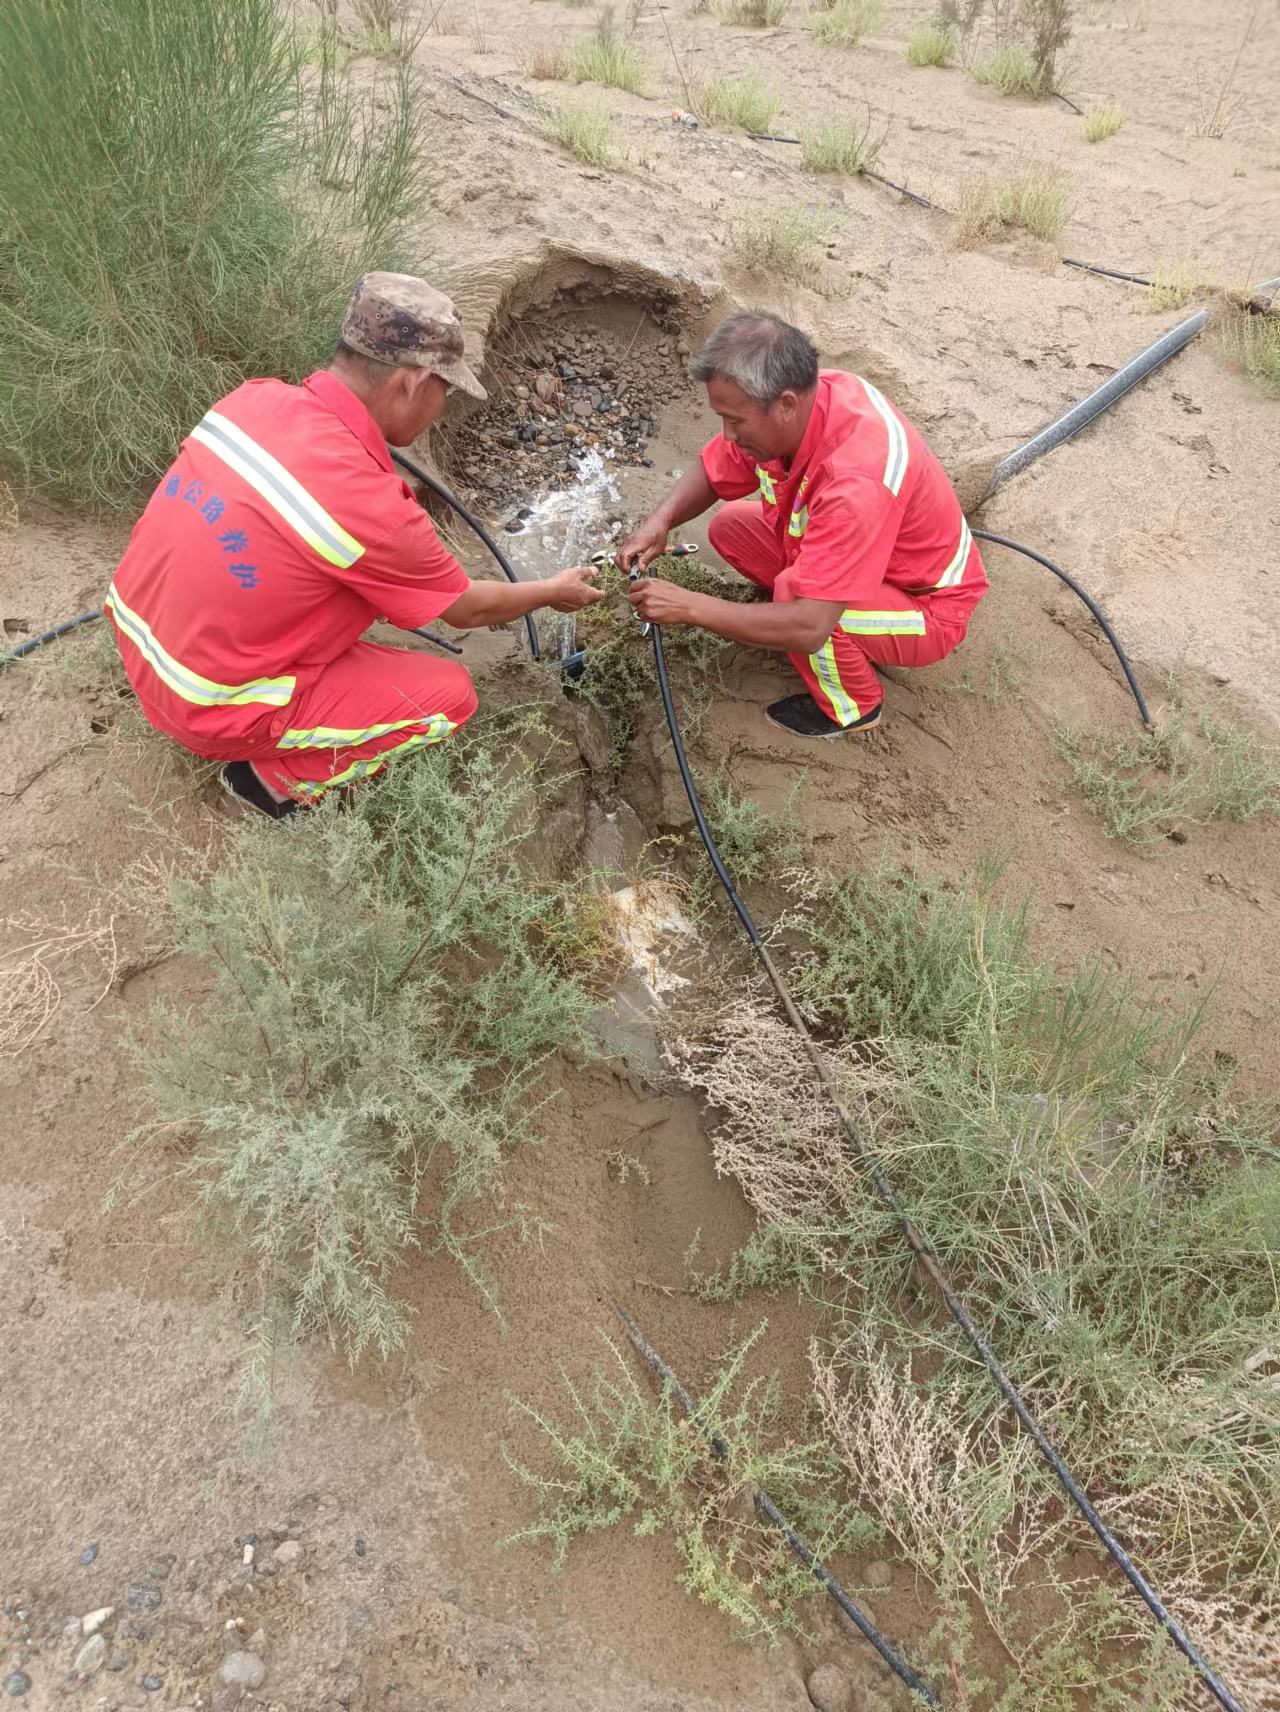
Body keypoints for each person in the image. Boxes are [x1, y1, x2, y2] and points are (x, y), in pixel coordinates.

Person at [106, 272, 603, 818]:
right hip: (208, 707)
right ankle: (269, 780)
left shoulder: (254, 400)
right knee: (448, 698)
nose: (441, 406)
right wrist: (551, 591)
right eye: (445, 390)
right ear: (414, 383)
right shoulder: (372, 507)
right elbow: (466, 609)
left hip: (138, 643)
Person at [618, 311, 988, 738]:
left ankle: (854, 709)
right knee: (730, 527)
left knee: (797, 598)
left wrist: (691, 607)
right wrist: (659, 521)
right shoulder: (805, 400)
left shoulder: (857, 480)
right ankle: (806, 614)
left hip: (928, 609)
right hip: (870, 561)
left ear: (786, 405)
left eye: (735, 420)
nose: (727, 434)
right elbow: (718, 465)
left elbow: (810, 626)